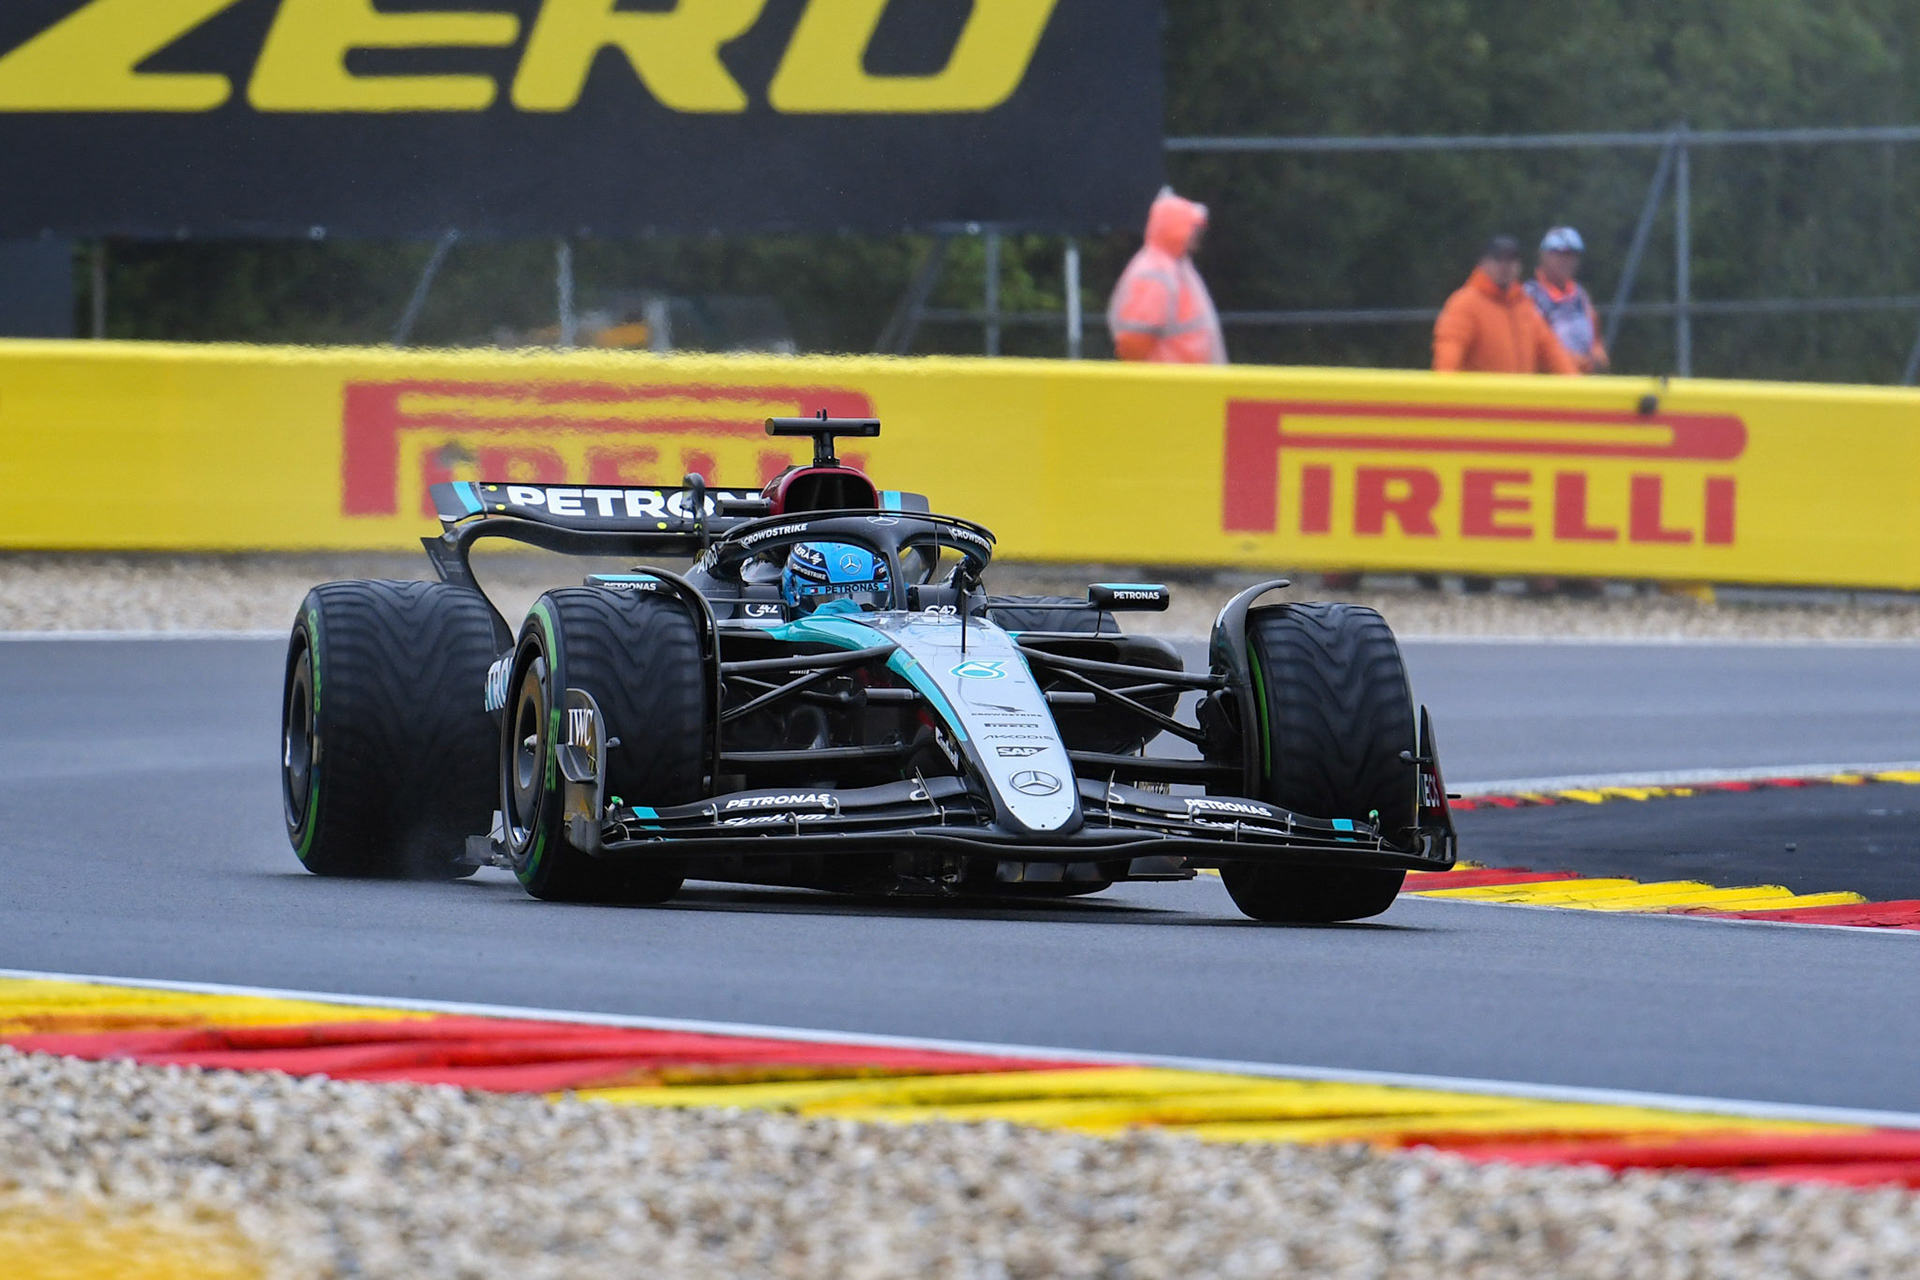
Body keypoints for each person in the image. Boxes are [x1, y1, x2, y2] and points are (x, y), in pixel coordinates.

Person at [1106, 187, 1226, 364]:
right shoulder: (1155, 272)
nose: (1198, 234)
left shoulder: (1175, 265)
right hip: (1168, 384)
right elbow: (1133, 340)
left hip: (1182, 383)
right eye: (1193, 227)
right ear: (1177, 227)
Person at [1432, 235, 1579, 375]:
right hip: (1481, 400)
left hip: (1520, 399)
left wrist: (1577, 388)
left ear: (1519, 266)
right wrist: (1446, 394)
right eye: (1498, 259)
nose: (1505, 266)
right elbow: (1448, 356)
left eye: (1512, 260)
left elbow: (1552, 352)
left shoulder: (1523, 305)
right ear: (1483, 263)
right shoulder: (1465, 303)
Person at [1525, 226, 1610, 373]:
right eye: (1559, 254)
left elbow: (1595, 337)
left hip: (1581, 381)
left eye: (1572, 255)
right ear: (1543, 255)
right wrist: (1576, 361)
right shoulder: (1530, 295)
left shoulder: (1580, 295)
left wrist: (1598, 356)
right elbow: (1533, 346)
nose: (1566, 261)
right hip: (1546, 384)